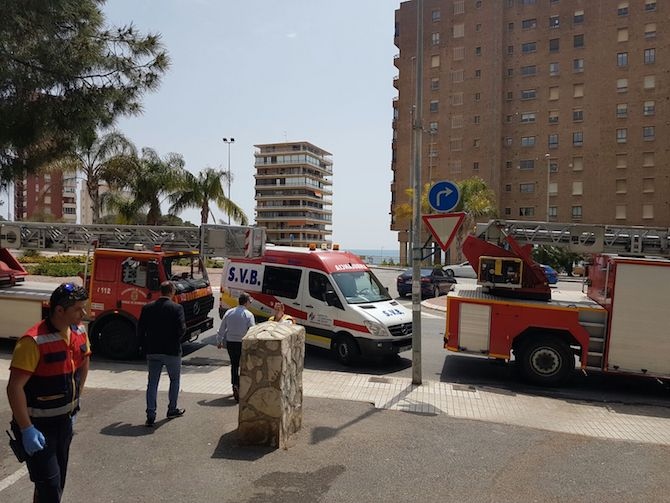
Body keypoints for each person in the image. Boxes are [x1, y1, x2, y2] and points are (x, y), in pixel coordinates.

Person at [6, 282, 90, 503]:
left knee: (55, 485)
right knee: (50, 488)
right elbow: (14, 387)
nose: (83, 313)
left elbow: (84, 362)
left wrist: (76, 400)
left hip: (64, 423)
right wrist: (26, 429)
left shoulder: (79, 331)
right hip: (38, 428)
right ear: (60, 310)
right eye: (78, 309)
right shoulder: (32, 341)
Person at [137, 281, 186, 426]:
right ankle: (172, 409)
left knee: (152, 383)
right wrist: (175, 340)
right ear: (172, 292)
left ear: (160, 291)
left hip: (153, 350)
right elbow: (182, 329)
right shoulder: (177, 308)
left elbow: (140, 330)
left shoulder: (147, 308)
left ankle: (151, 414)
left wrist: (143, 346)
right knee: (174, 380)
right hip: (172, 350)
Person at [217, 293, 255, 402]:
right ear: (246, 302)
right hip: (242, 343)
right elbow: (252, 330)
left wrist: (219, 341)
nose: (250, 304)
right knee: (243, 365)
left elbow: (222, 328)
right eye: (249, 302)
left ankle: (235, 384)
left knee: (234, 365)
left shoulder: (229, 312)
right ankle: (241, 386)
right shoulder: (248, 315)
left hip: (230, 342)